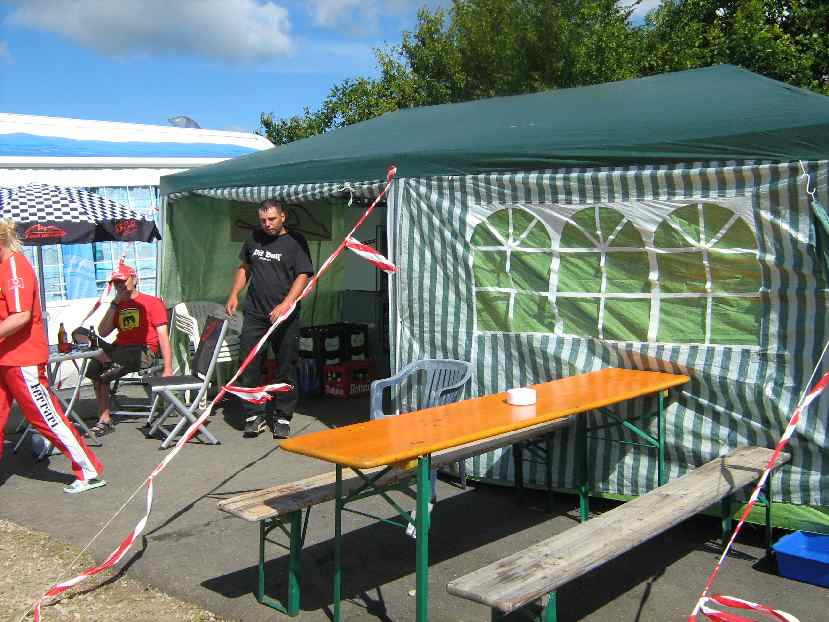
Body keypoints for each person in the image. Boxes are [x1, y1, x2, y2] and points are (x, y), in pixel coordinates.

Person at [0, 220, 105, 494]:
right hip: (4, 358)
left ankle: (88, 470)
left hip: (21, 359)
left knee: (46, 417)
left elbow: (20, 316)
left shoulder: (15, 267)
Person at [226, 199, 313, 439]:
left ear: (283, 217)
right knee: (249, 363)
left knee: (286, 366)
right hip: (255, 314)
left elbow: (303, 275)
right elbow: (245, 268)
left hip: (285, 316)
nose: (267, 224)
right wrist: (234, 294)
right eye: (263, 220)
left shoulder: (295, 241)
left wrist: (286, 304)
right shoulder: (254, 238)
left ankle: (283, 416)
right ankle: (253, 415)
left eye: (272, 219)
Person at [86, 261, 172, 436]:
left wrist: (168, 368)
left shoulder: (152, 302)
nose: (120, 286)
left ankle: (104, 419)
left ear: (134, 279)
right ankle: (104, 416)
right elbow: (103, 331)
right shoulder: (118, 304)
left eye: (123, 281)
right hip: (119, 348)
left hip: (143, 350)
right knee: (87, 347)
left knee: (105, 370)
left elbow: (163, 336)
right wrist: (115, 303)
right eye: (116, 283)